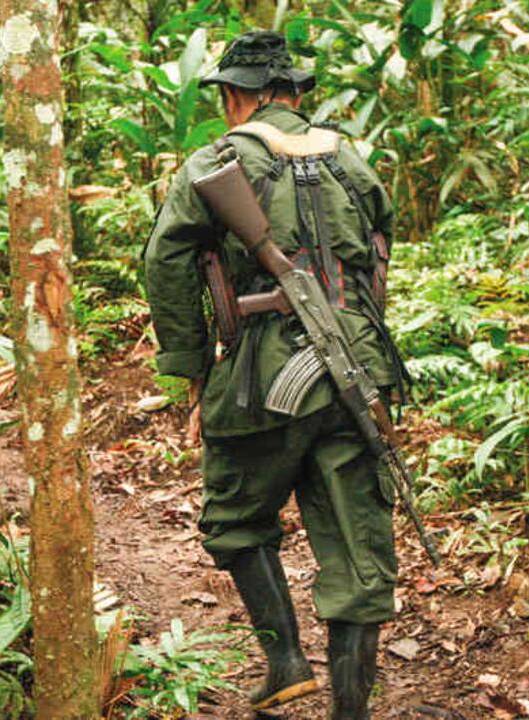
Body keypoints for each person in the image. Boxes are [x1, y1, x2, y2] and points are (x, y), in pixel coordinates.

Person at [142, 30, 408, 720]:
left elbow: (168, 263)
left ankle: (286, 660)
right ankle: (351, 709)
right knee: (359, 546)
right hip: (359, 371)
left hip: (266, 369)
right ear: (293, 94)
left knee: (234, 517)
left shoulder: (216, 159)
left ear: (237, 96)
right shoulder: (352, 159)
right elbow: (377, 253)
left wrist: (194, 369)